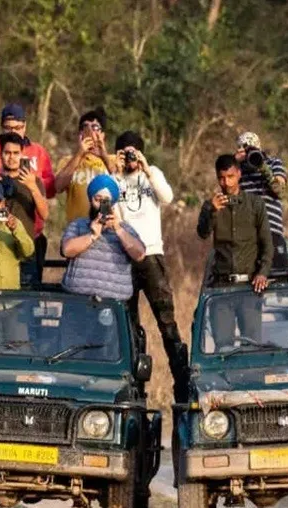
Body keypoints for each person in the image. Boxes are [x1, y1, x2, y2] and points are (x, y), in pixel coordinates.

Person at [111, 130, 189, 402]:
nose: (130, 158)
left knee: (166, 320)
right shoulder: (113, 181)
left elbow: (167, 197)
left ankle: (182, 381)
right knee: (129, 324)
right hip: (124, 258)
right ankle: (134, 386)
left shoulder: (150, 172)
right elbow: (112, 214)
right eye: (125, 152)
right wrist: (115, 173)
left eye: (134, 152)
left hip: (152, 256)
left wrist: (146, 167)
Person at [197, 154, 273, 348]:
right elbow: (203, 233)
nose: (226, 182)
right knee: (223, 346)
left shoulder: (255, 204)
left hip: (249, 286)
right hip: (222, 288)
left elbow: (267, 243)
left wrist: (263, 273)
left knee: (252, 345)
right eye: (222, 178)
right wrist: (212, 212)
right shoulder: (210, 205)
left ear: (238, 174)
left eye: (230, 176)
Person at [0, 102, 55, 224]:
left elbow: (50, 190)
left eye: (17, 128)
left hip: (30, 228)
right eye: (8, 128)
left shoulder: (38, 151)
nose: (13, 132)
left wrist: (31, 184)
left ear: (24, 126)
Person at [60, 175, 146, 301]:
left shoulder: (125, 229)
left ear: (113, 203)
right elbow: (66, 250)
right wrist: (92, 236)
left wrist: (119, 230)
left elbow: (140, 255)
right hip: (77, 299)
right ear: (90, 200)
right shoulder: (78, 225)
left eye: (106, 201)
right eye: (97, 199)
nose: (101, 205)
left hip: (112, 303)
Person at [0, 132, 50, 287]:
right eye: (7, 153)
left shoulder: (34, 181)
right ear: (1, 154)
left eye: (15, 153)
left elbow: (45, 214)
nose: (11, 157)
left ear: (22, 154)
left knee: (27, 301)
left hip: (26, 249)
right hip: (0, 248)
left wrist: (32, 187)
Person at [235, 131, 288, 270]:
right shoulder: (237, 170)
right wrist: (234, 162)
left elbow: (280, 190)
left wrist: (262, 167)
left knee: (280, 274)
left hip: (272, 231)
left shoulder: (273, 163)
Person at [55, 108, 118, 222]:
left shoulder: (113, 160)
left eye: (95, 127)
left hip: (105, 226)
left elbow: (124, 188)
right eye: (85, 126)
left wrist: (104, 156)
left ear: (102, 135)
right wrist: (80, 154)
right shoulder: (68, 161)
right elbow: (58, 187)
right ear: (80, 134)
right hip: (77, 229)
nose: (90, 131)